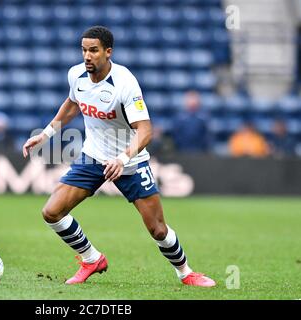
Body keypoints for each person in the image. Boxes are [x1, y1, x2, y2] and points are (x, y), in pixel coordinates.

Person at [22, 26, 216, 287]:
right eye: (83, 50)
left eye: (93, 50)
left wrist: (122, 159)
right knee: (52, 212)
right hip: (93, 157)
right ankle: (91, 259)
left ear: (108, 52)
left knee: (157, 229)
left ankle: (186, 272)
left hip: (130, 162)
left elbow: (145, 130)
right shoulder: (76, 75)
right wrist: (45, 134)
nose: (87, 56)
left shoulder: (124, 82)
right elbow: (72, 104)